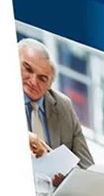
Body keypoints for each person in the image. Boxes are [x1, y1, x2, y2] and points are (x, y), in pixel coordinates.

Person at [19, 39, 94, 169]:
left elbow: (86, 165)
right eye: (28, 69)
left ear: (50, 85)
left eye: (42, 78)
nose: (33, 82)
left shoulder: (63, 105)